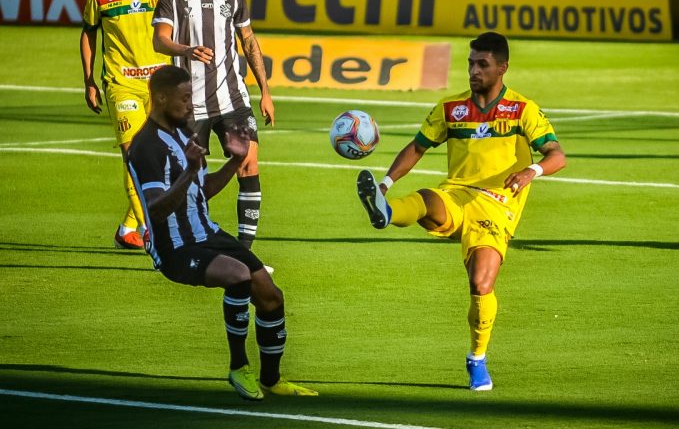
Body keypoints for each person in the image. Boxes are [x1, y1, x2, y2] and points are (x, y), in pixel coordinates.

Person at [357, 32, 566, 391]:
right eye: (470, 63)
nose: (473, 71)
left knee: (481, 283)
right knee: (427, 199)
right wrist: (385, 183)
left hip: (496, 206)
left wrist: (531, 171)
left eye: (482, 64)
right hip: (456, 195)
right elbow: (417, 147)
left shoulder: (522, 110)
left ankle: (477, 358)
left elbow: (557, 155)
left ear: (502, 68)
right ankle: (385, 210)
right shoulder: (451, 108)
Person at [126, 65, 317, 399]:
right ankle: (238, 366)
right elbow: (155, 210)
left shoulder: (185, 134)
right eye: (184, 98)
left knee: (271, 296)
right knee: (238, 274)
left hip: (208, 233)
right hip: (175, 247)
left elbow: (204, 190)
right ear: (161, 98)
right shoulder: (146, 147)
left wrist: (234, 161)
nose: (190, 105)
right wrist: (189, 171)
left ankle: (272, 380)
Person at [152, 0, 274, 251]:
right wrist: (186, 50)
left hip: (233, 98)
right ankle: (188, 236)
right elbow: (159, 40)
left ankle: (245, 251)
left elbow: (248, 41)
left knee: (248, 161)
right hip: (190, 105)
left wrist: (265, 91)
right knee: (193, 179)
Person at [80, 0, 172, 249]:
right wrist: (89, 80)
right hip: (122, 85)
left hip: (161, 87)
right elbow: (89, 32)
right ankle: (152, 231)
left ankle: (127, 228)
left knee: (160, 161)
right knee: (134, 155)